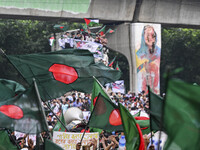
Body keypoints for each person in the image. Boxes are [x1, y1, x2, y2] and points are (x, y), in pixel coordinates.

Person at [136, 25, 161, 94]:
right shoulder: (138, 53)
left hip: (154, 86)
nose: (150, 38)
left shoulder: (158, 52)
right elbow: (137, 71)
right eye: (147, 35)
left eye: (152, 35)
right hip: (143, 85)